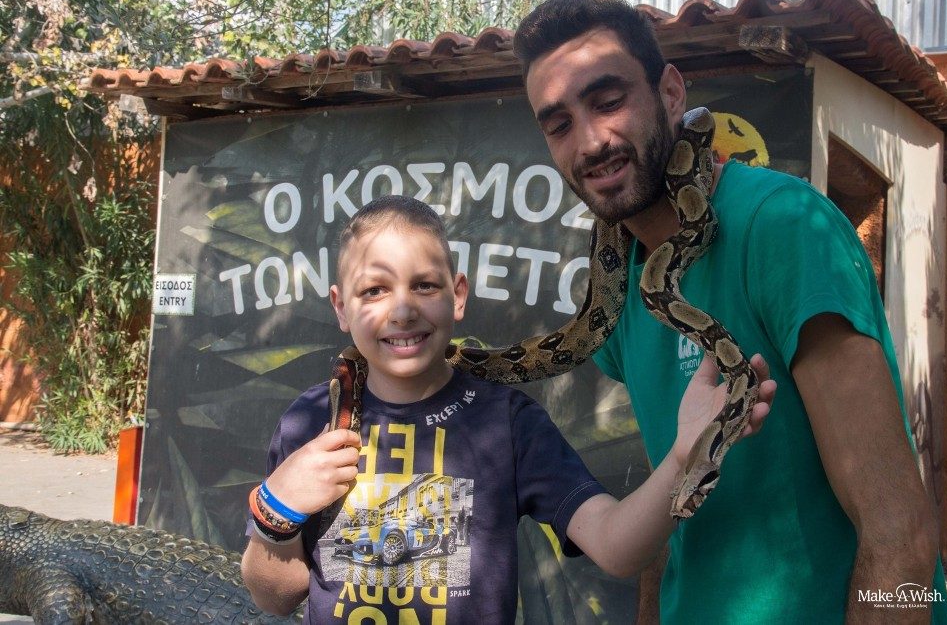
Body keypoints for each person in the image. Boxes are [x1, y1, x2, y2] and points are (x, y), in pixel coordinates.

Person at [512, 0, 947, 623]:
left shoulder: (785, 228)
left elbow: (901, 532)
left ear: (670, 93)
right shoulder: (622, 284)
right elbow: (673, 512)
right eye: (558, 125)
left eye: (608, 102)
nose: (590, 142)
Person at [240, 195, 774, 624]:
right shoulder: (310, 423)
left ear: (457, 295)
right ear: (340, 307)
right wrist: (275, 511)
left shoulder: (508, 421)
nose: (401, 310)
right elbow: (276, 596)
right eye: (374, 290)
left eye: (424, 285)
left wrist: (684, 457)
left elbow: (616, 548)